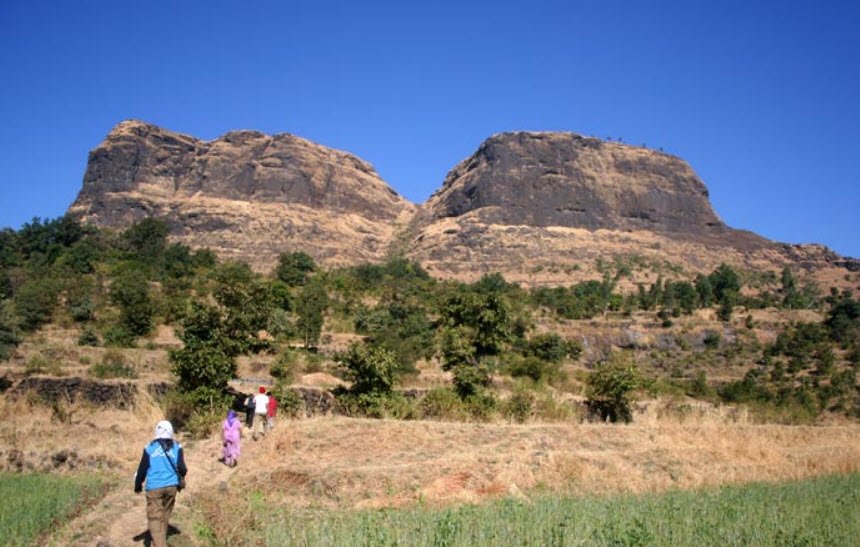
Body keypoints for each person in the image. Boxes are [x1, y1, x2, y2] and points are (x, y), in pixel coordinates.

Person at [134, 420, 187, 547]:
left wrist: (138, 484)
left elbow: (142, 469)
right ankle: (158, 541)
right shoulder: (177, 447)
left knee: (154, 518)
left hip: (154, 488)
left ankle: (159, 543)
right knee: (165, 514)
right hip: (171, 487)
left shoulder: (149, 448)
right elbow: (183, 469)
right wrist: (180, 477)